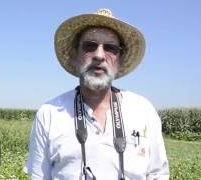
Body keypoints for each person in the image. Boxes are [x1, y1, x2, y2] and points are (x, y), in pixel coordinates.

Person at [24, 8, 169, 180]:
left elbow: (158, 174)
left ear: (120, 60)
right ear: (75, 56)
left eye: (110, 48)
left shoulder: (143, 110)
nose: (99, 55)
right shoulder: (49, 114)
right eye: (90, 46)